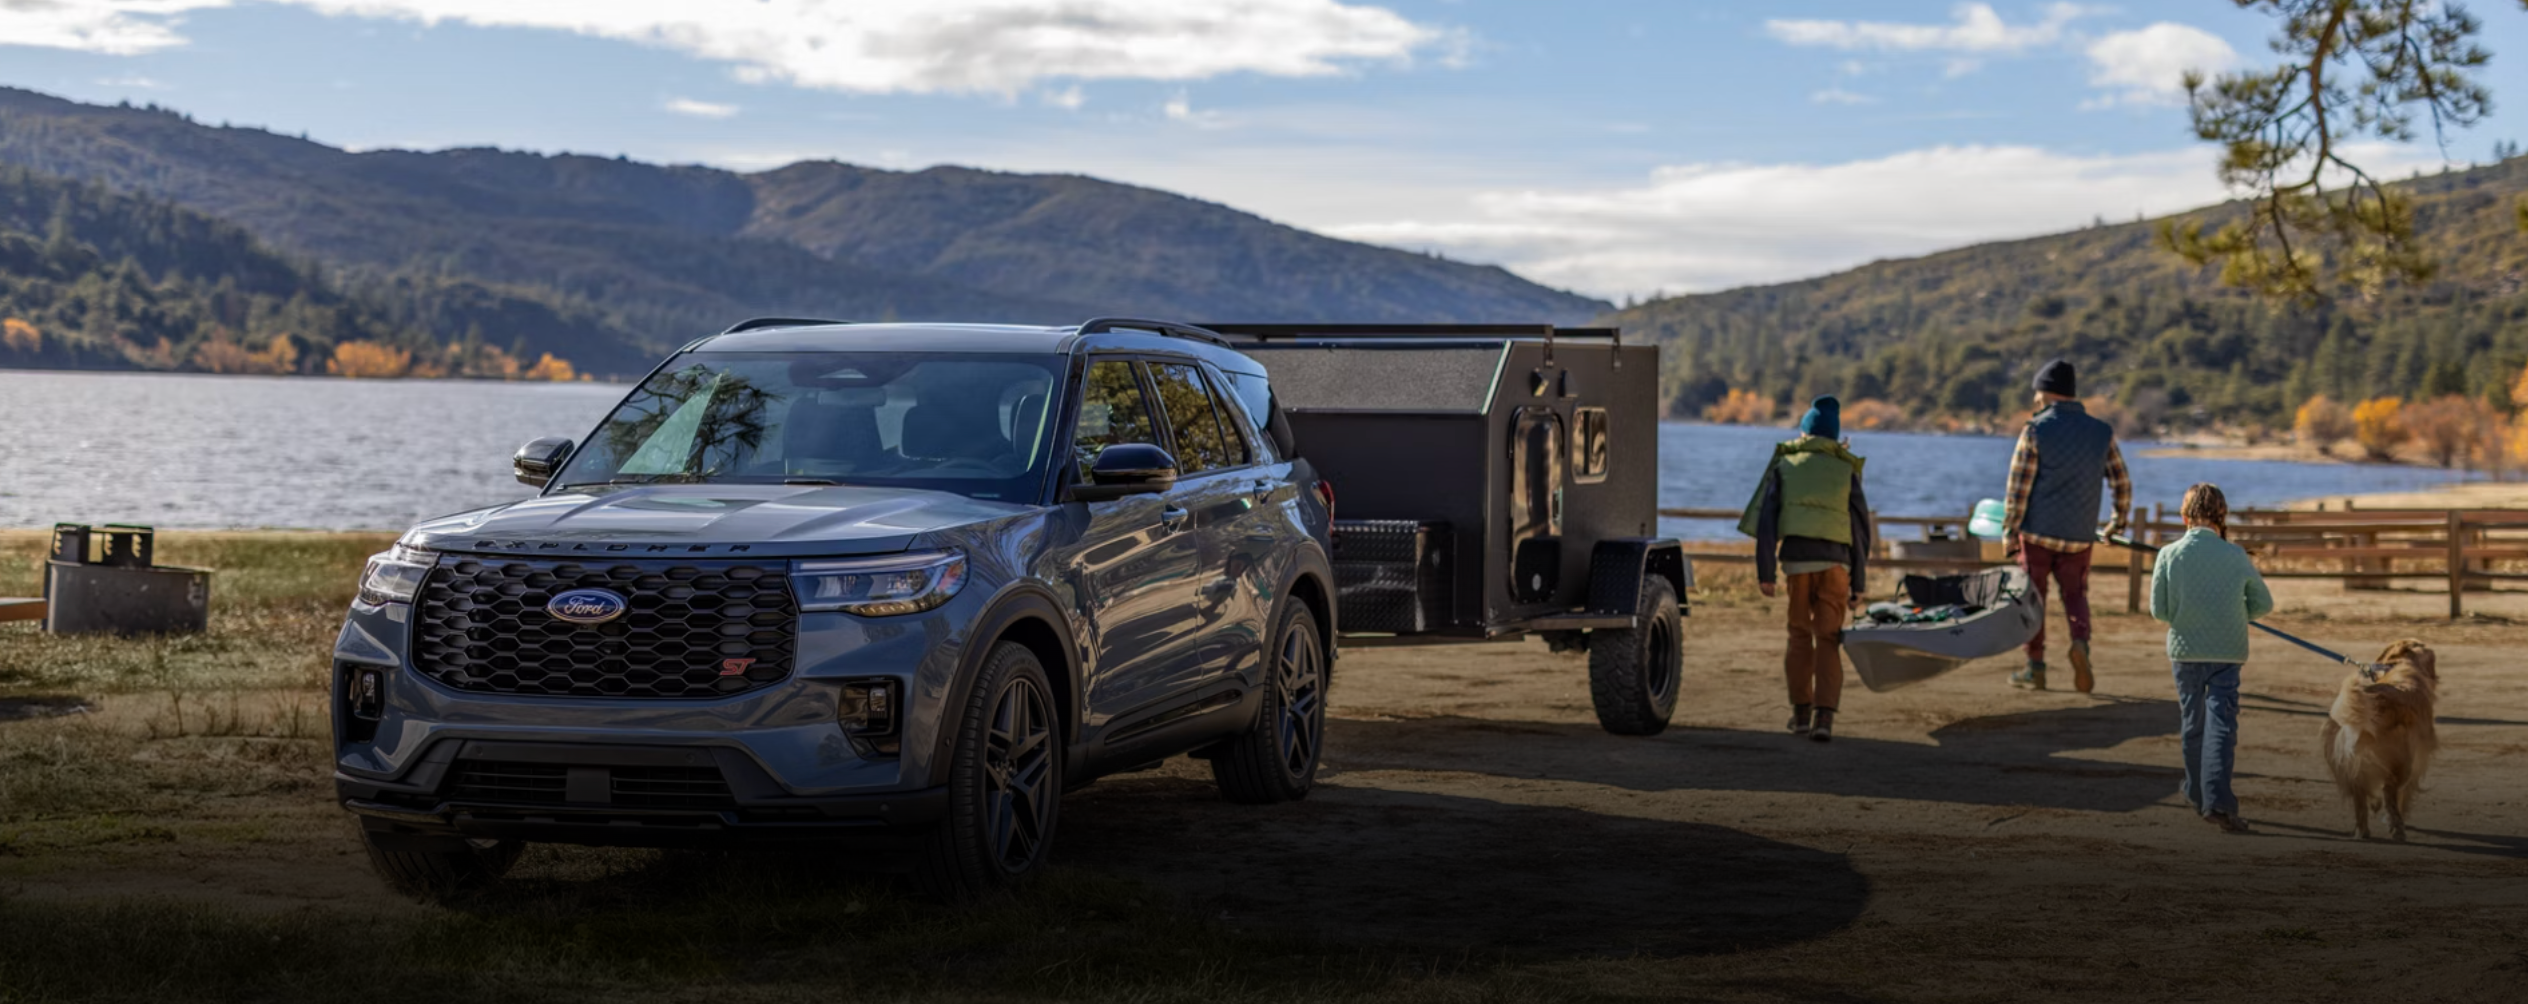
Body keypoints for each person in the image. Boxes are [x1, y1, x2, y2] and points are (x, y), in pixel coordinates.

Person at [1738, 395, 1871, 743]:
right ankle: (1823, 718)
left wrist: (1765, 571)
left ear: (1805, 432)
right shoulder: (1846, 470)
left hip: (1797, 564)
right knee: (1828, 639)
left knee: (1799, 637)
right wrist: (1859, 581)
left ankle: (1799, 714)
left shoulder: (1786, 465)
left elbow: (1766, 521)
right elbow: (1859, 530)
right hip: (1836, 565)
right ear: (1834, 435)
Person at [2001, 359, 2131, 694]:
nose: (2034, 400)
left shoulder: (2035, 430)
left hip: (2037, 535)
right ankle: (2080, 645)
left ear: (2045, 394)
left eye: (2036, 393)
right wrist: (2117, 522)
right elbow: (2121, 481)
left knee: (2033, 600)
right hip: (2079, 536)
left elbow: (2017, 489)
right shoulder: (2101, 432)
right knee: (2075, 595)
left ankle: (2036, 667)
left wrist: (2009, 533)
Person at [2149, 483, 2273, 834]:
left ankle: (2194, 790)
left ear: (2185, 517)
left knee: (2193, 722)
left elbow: (2159, 611)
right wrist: (2236, 611)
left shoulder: (2169, 555)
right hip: (2227, 652)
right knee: (2222, 725)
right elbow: (2264, 604)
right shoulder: (2235, 556)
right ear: (2222, 518)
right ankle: (2216, 800)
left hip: (2186, 651)